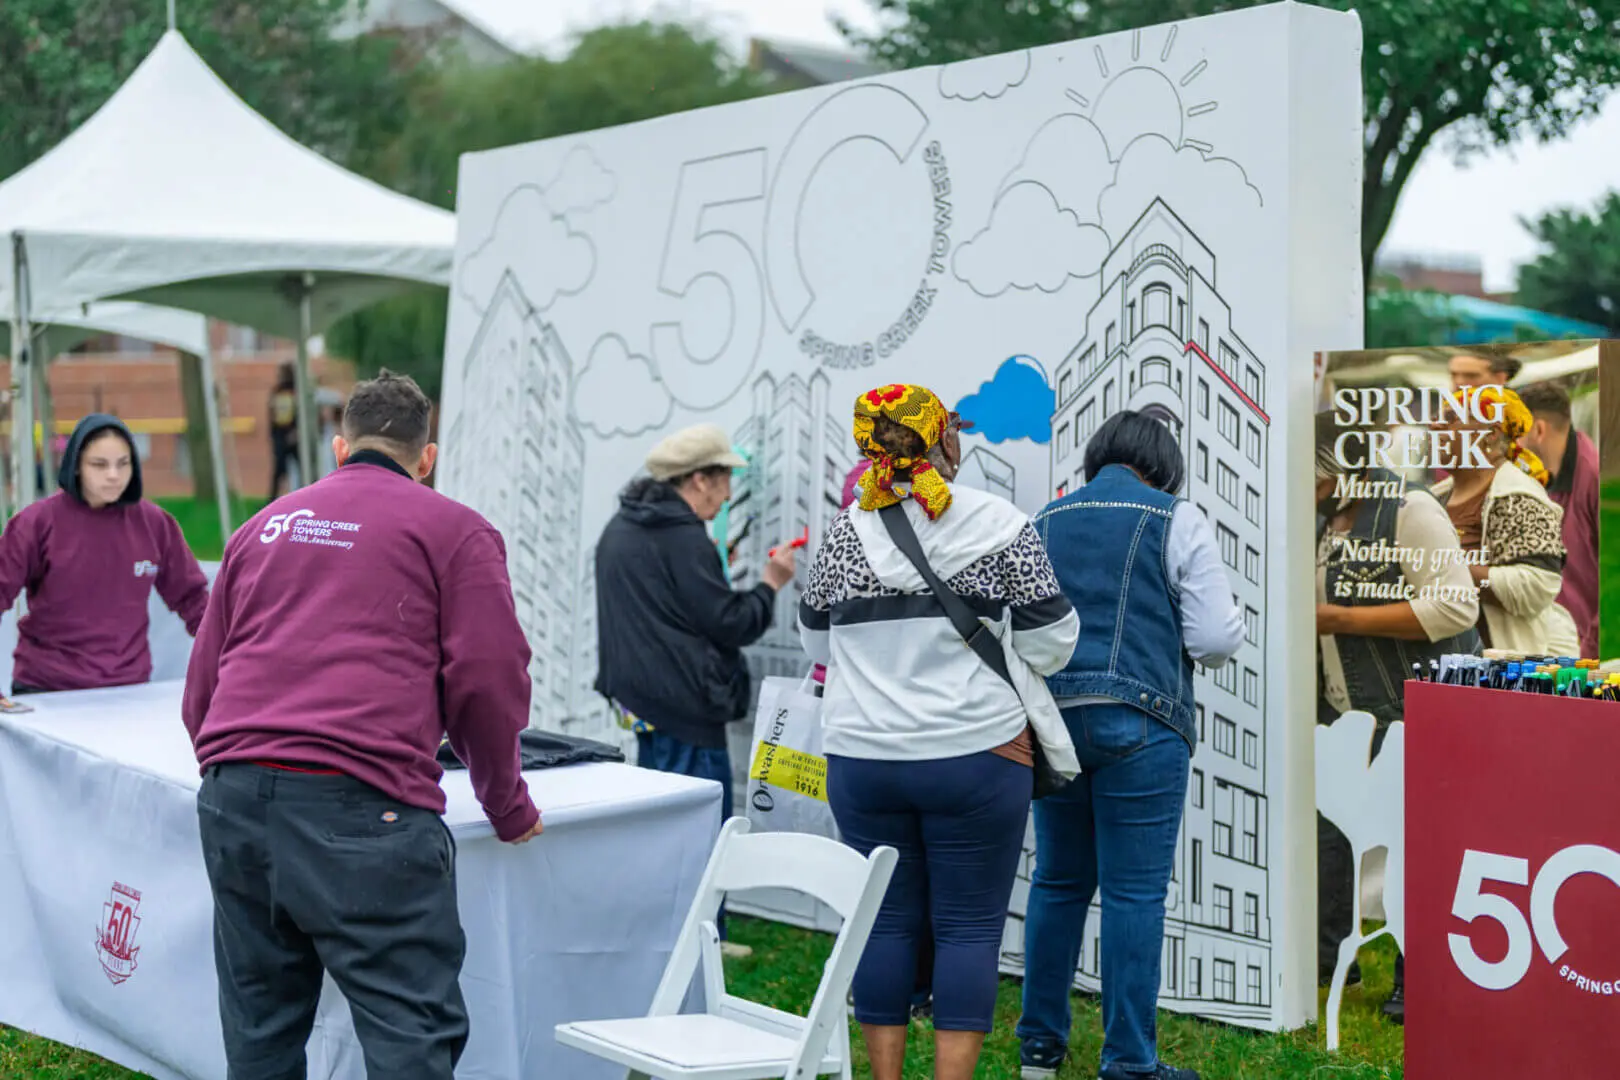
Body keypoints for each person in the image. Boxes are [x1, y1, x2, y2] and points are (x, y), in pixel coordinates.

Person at [183, 370, 541, 1080]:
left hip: (236, 800)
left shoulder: (264, 525)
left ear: (340, 448)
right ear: (426, 457)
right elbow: (489, 679)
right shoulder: (455, 529)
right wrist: (507, 803)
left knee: (260, 1034)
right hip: (361, 813)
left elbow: (203, 688)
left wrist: (247, 778)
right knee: (409, 1035)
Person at [799, 384, 1078, 1080]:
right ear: (942, 442)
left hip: (863, 758)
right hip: (976, 755)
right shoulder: (1000, 523)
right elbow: (1054, 643)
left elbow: (819, 646)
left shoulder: (843, 537)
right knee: (969, 927)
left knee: (885, 922)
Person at [1018, 411, 1245, 1080]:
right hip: (1143, 723)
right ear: (1163, 468)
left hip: (1055, 724)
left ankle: (1039, 1052)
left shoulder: (1044, 520)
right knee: (1133, 895)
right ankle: (1127, 1063)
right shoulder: (1177, 518)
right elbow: (1215, 639)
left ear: (1097, 461)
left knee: (1056, 883)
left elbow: (1023, 629)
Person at [593, 422, 797, 957]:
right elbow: (730, 623)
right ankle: (704, 938)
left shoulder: (623, 527)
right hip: (687, 706)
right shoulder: (683, 538)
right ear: (699, 479)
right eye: (725, 479)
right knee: (702, 830)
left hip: (643, 704)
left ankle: (668, 931)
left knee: (663, 827)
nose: (729, 494)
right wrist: (770, 584)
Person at [1312, 411, 1479, 1022]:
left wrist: (1338, 619)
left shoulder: (1410, 510)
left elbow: (1457, 606)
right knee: (1330, 835)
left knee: (1416, 842)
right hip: (1343, 707)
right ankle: (1331, 962)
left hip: (1413, 702)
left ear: (1336, 469)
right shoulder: (1323, 521)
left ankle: (1415, 979)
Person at [0, 413, 208, 694]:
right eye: (99, 465)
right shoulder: (36, 523)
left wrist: (229, 663)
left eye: (123, 464)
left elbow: (194, 601)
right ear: (76, 466)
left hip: (127, 692)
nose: (114, 475)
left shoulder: (154, 523)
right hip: (47, 689)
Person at [1431, 386, 1578, 655]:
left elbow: (1538, 584)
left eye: (1450, 418)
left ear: (1490, 435)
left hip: (1497, 669)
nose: (1434, 425)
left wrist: (1444, 568)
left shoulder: (1517, 495)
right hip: (1441, 663)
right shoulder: (1433, 498)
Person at [1515, 382, 1599, 658]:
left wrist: (1588, 656)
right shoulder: (1538, 475)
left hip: (1585, 658)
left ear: (1538, 430)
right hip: (1551, 646)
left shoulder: (1595, 479)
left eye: (1516, 432)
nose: (1512, 444)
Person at [268, 362, 300, 497]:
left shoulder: (296, 391)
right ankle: (272, 499)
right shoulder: (276, 391)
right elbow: (272, 415)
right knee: (279, 470)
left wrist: (297, 432)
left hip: (295, 435)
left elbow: (300, 414)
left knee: (304, 467)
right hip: (280, 435)